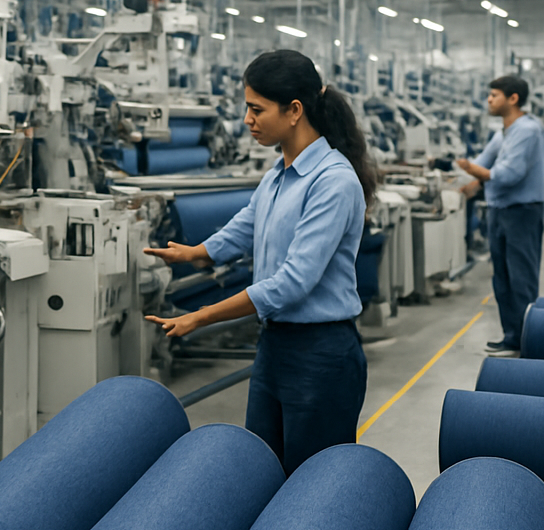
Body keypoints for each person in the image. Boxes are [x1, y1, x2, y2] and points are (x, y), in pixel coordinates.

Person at [144, 49, 373, 474]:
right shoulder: (277, 174)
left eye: (256, 109)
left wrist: (203, 316)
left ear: (294, 111)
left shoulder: (333, 182)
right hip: (275, 347)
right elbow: (247, 226)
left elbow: (292, 283)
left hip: (321, 356)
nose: (247, 120)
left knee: (311, 484)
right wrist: (195, 253)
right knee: (263, 470)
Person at [456, 74, 544, 357]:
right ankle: (512, 336)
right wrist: (467, 177)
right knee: (503, 280)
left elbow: (509, 174)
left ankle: (529, 340)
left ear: (513, 98)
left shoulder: (528, 130)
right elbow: (484, 162)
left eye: (494, 95)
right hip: (499, 212)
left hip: (521, 213)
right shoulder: (503, 133)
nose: (489, 100)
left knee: (521, 279)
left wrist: (474, 171)